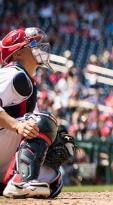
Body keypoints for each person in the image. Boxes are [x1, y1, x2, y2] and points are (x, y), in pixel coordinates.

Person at [0, 27, 75, 198]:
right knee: (43, 122)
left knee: (53, 179)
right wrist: (18, 125)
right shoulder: (12, 73)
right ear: (17, 53)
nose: (39, 46)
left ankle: (16, 180)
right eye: (32, 43)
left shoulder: (26, 80)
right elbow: (28, 124)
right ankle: (21, 181)